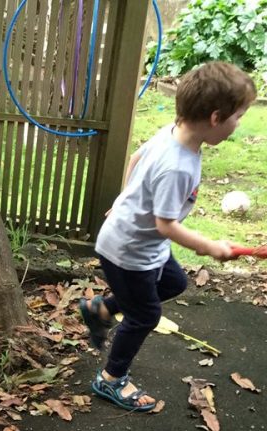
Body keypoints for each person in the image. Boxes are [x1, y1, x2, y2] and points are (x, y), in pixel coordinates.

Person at [80, 62, 256, 412]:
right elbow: (166, 225)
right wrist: (210, 247)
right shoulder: (178, 166)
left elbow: (136, 157)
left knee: (174, 283)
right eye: (239, 116)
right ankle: (111, 379)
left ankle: (101, 308)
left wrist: (124, 200)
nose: (239, 124)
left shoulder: (173, 131)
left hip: (141, 244)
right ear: (217, 118)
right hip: (129, 252)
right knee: (145, 316)